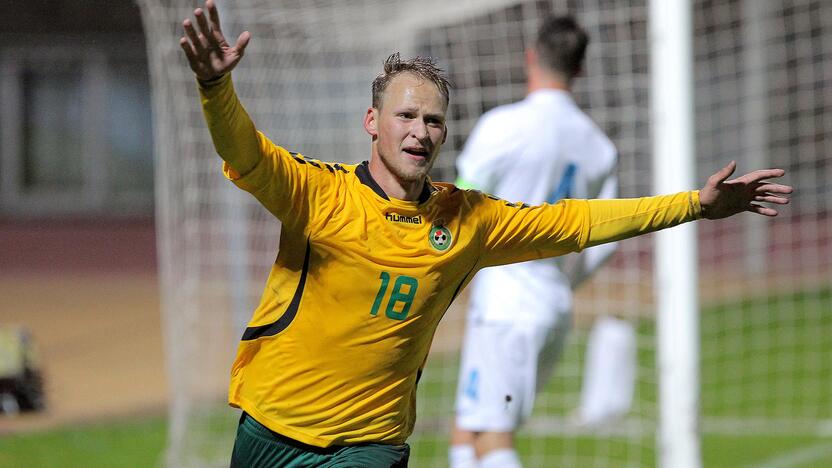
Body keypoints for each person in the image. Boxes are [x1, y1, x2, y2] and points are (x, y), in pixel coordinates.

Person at [178, 2, 792, 466]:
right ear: (371, 122)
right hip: (270, 427)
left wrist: (695, 205)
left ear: (446, 134)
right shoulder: (319, 192)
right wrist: (215, 88)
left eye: (434, 120)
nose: (420, 130)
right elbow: (248, 154)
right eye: (406, 116)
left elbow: (576, 222)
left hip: (369, 442)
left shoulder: (467, 219)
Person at [449, 16, 636, 468]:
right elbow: (605, 240)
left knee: (491, 436)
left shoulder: (503, 125)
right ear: (580, 70)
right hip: (552, 303)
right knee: (470, 425)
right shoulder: (598, 146)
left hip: (504, 302)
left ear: (531, 56)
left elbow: (457, 202)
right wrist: (562, 281)